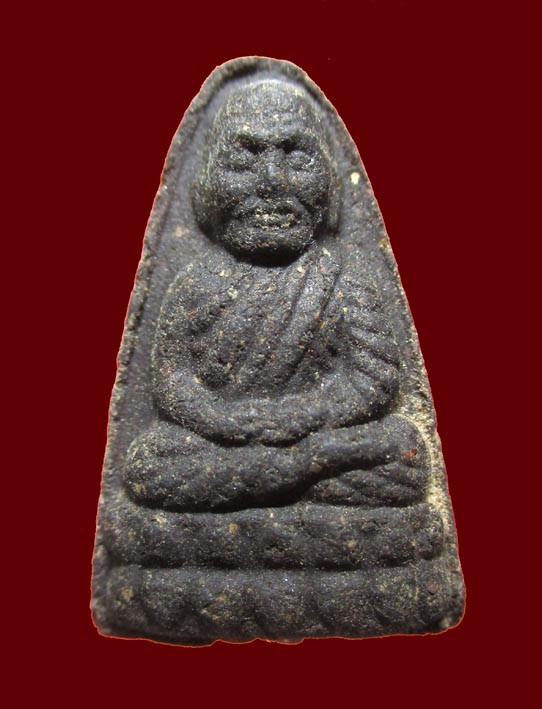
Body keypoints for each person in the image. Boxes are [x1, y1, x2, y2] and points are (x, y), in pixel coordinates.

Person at [122, 79, 429, 515]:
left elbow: (374, 380)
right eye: (243, 162)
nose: (272, 182)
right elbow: (174, 384)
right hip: (224, 441)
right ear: (207, 181)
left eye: (297, 159)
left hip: (314, 436)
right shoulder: (195, 282)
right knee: (149, 461)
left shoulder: (344, 275)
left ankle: (261, 488)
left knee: (402, 450)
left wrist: (298, 419)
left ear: (330, 181)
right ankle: (293, 480)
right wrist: (226, 421)